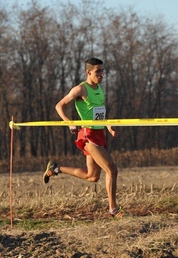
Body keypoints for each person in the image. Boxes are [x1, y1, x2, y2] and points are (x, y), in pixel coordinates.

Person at [43, 58, 123, 218]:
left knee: (92, 176)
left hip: (100, 133)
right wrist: (69, 123)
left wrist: (108, 126)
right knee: (112, 169)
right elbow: (59, 105)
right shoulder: (80, 89)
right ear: (88, 72)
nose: (102, 74)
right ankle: (113, 210)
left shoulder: (100, 88)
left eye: (102, 70)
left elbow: (100, 113)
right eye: (98, 71)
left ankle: (55, 169)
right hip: (88, 135)